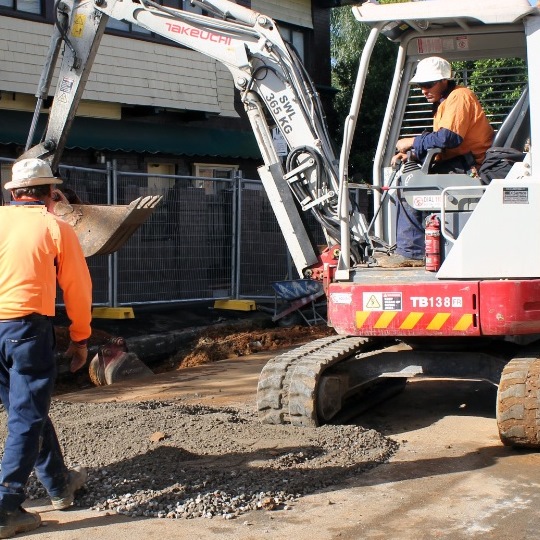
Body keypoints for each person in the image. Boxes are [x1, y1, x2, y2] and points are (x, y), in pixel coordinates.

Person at [0, 158, 92, 538]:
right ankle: (6, 506)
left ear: (15, 192)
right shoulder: (56, 227)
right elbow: (77, 288)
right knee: (27, 414)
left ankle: (57, 482)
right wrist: (80, 337)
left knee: (27, 409)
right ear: (50, 194)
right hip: (25, 328)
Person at [378, 56, 494, 268]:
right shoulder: (444, 103)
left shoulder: (459, 97)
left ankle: (412, 252)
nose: (424, 90)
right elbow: (441, 143)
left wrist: (412, 142)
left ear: (444, 81)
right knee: (410, 179)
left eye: (428, 84)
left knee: (409, 186)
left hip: (470, 167)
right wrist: (413, 152)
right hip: (459, 163)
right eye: (421, 85)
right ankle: (420, 247)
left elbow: (449, 138)